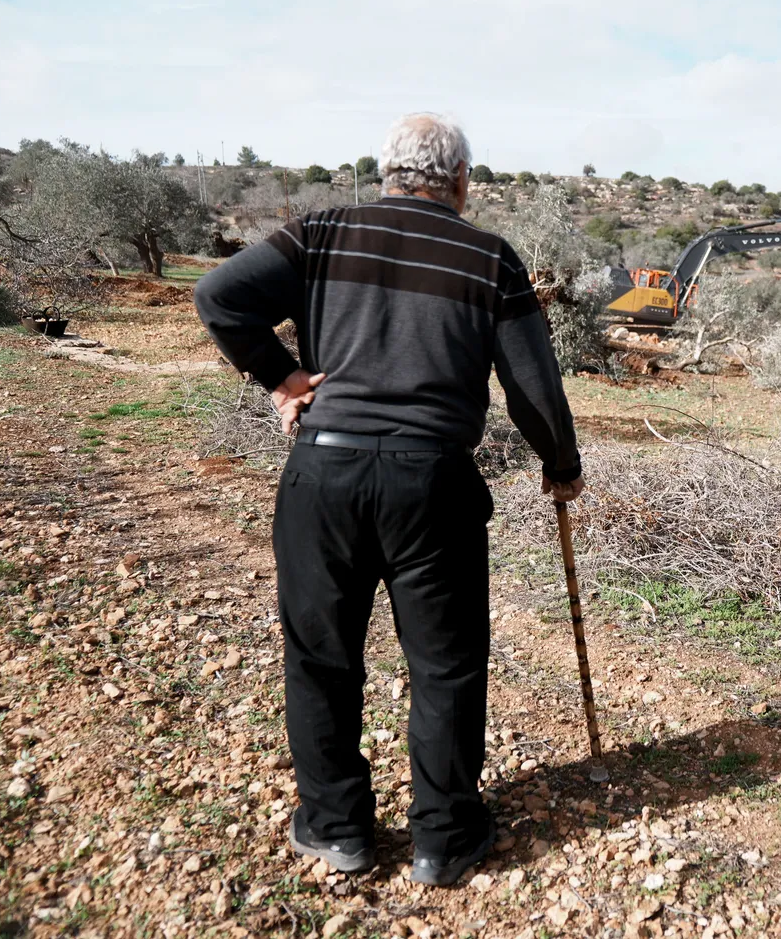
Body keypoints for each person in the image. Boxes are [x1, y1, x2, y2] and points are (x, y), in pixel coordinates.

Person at [194, 113, 584, 887]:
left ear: (386, 174)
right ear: (461, 181)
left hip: (323, 477)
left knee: (321, 658)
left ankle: (337, 828)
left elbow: (218, 296)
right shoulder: (490, 257)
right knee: (445, 664)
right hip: (432, 484)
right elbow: (533, 386)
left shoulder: (320, 232)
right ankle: (443, 837)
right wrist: (560, 463)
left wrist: (284, 376)